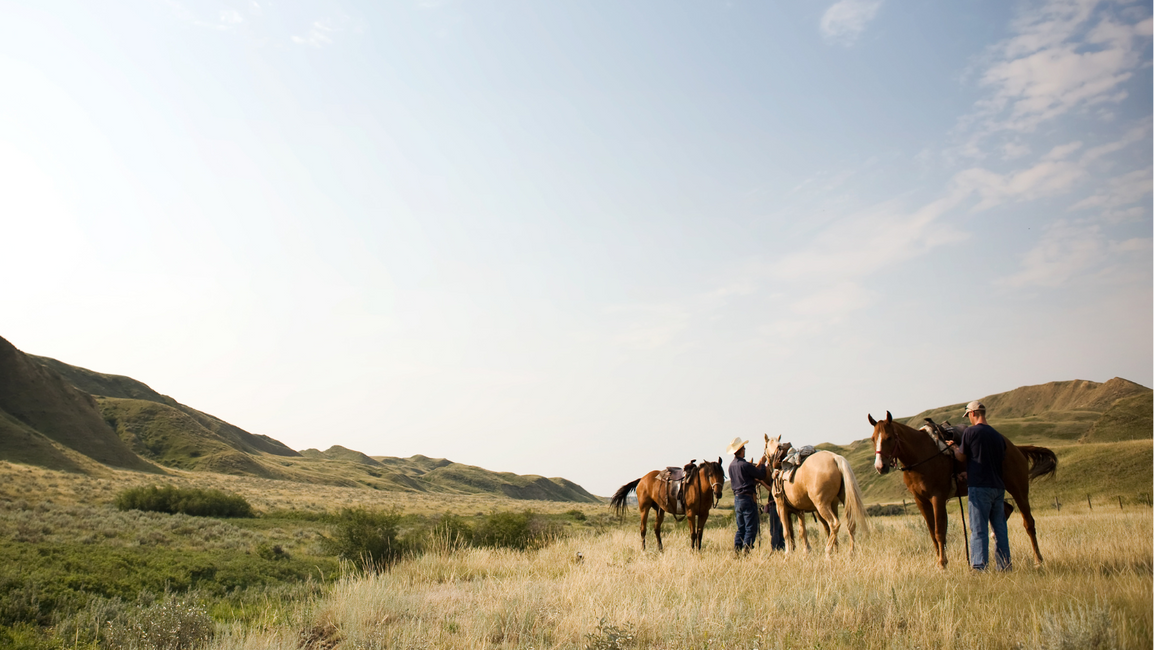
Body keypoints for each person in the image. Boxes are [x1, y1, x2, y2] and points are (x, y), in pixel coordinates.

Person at [948, 400, 1011, 571]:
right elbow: (992, 461)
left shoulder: (970, 433)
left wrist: (954, 447)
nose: (969, 418)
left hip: (979, 488)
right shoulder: (998, 436)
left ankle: (979, 567)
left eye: (968, 415)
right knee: (1000, 530)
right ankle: (1004, 566)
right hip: (997, 488)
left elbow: (961, 457)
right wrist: (970, 473)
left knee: (978, 530)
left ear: (973, 413)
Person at [726, 436, 767, 554]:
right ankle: (746, 550)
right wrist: (763, 464)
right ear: (741, 450)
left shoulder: (731, 466)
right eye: (744, 448)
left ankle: (737, 550)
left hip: (737, 499)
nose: (745, 450)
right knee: (751, 527)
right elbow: (760, 475)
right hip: (748, 498)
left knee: (741, 527)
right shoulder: (745, 465)